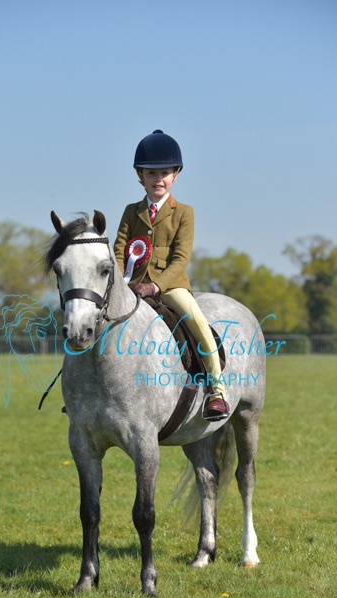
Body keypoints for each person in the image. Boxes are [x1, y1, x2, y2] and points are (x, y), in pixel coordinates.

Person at [114, 129, 229, 421]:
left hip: (170, 287)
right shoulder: (130, 212)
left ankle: (217, 391)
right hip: (131, 286)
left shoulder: (184, 213)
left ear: (175, 175)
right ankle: (88, 392)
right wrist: (120, 283)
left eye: (165, 173)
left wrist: (155, 286)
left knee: (198, 323)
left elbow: (181, 259)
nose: (158, 179)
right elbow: (119, 251)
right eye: (151, 173)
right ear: (140, 176)